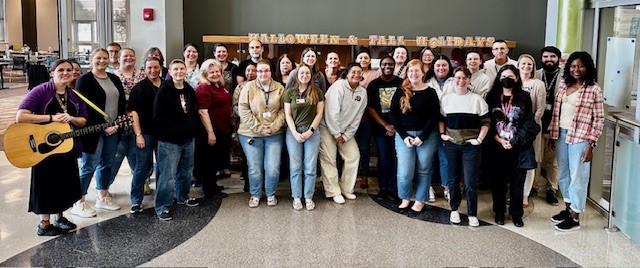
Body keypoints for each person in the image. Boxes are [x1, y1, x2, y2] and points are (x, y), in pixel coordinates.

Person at [16, 59, 88, 235]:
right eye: (61, 70)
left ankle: (60, 217)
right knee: (45, 184)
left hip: (65, 146)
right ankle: (44, 224)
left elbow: (83, 120)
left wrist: (71, 118)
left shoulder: (74, 95)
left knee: (64, 182)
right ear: (52, 73)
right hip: (43, 147)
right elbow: (21, 116)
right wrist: (51, 118)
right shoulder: (41, 91)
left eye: (69, 70)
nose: (65, 73)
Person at [549, 51, 604, 232]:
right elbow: (557, 112)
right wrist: (553, 135)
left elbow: (599, 119)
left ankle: (575, 217)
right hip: (561, 135)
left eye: (580, 66)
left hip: (581, 138)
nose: (576, 69)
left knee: (577, 177)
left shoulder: (593, 89)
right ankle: (568, 208)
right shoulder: (564, 84)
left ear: (587, 67)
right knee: (563, 175)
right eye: (573, 66)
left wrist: (591, 144)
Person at [73, 48, 126, 217]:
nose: (102, 61)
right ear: (91, 59)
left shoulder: (115, 79)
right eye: (98, 58)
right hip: (93, 130)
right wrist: (103, 125)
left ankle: (102, 195)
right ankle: (79, 200)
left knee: (107, 163)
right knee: (89, 165)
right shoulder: (85, 80)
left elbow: (122, 103)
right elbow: (84, 108)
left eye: (105, 58)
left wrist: (117, 123)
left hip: (114, 129)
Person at [486, 64, 539, 227]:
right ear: (498, 78)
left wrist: (514, 142)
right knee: (498, 182)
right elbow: (487, 121)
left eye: (510, 77)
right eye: (503, 77)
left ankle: (516, 214)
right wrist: (499, 140)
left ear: (516, 78)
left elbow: (529, 123)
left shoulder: (524, 97)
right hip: (497, 146)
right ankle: (500, 212)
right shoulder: (492, 96)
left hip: (518, 147)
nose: (506, 80)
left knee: (517, 183)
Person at [439, 66, 489, 227]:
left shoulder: (477, 100)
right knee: (453, 179)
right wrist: (442, 134)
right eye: (458, 78)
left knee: (470, 181)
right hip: (452, 144)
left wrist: (479, 139)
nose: (461, 81)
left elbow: (486, 122)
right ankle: (454, 209)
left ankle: (472, 213)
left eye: (464, 78)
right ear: (453, 80)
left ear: (469, 80)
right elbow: (441, 119)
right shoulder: (446, 99)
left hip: (471, 146)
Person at [389, 59, 440, 212]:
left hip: (427, 136)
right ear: (407, 73)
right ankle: (405, 198)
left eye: (417, 70)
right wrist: (404, 136)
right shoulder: (401, 90)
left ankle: (420, 200)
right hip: (404, 136)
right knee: (405, 171)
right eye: (410, 71)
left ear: (423, 73)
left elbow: (434, 116)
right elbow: (393, 115)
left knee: (424, 169)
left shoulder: (431, 92)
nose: (413, 73)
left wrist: (421, 137)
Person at [153, 59, 201, 221]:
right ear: (170, 72)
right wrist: (178, 130)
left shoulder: (189, 90)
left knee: (186, 171)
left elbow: (193, 112)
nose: (179, 71)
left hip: (188, 139)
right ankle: (163, 206)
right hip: (169, 141)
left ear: (186, 70)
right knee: (168, 175)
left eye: (182, 68)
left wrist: (192, 128)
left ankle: (182, 197)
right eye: (176, 69)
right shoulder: (164, 91)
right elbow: (159, 117)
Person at [237, 59, 286, 208]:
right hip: (250, 133)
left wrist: (274, 127)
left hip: (274, 133)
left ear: (271, 72)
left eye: (266, 70)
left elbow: (284, 110)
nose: (263, 74)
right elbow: (243, 109)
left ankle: (271, 194)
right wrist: (258, 128)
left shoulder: (279, 88)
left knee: (272, 167)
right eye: (259, 71)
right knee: (255, 167)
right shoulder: (248, 88)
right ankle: (255, 194)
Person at [318, 62, 367, 204]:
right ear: (347, 73)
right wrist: (336, 133)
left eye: (359, 72)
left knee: (353, 156)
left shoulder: (362, 92)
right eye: (353, 72)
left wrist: (346, 135)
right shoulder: (338, 86)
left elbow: (358, 117)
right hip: (327, 127)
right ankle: (333, 191)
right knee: (329, 159)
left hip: (345, 132)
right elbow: (331, 112)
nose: (356, 75)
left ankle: (346, 188)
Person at [284, 65, 325, 210]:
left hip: (312, 132)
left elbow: (320, 113)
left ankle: (308, 197)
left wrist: (310, 131)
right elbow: (287, 114)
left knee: (310, 166)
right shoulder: (290, 92)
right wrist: (294, 132)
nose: (304, 75)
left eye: (307, 73)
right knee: (295, 166)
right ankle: (296, 197)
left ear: (311, 76)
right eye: (302, 73)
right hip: (293, 132)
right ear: (296, 75)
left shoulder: (317, 92)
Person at [127, 56, 164, 214]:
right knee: (142, 166)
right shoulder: (139, 88)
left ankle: (162, 198)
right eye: (149, 68)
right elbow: (134, 113)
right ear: (144, 69)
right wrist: (138, 134)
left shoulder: (167, 86)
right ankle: (136, 200)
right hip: (145, 133)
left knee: (163, 166)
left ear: (160, 67)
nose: (153, 71)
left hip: (164, 133)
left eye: (156, 67)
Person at [109, 48, 147, 198]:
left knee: (137, 156)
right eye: (125, 56)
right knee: (115, 157)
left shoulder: (143, 75)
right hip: (118, 123)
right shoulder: (112, 76)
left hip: (139, 123)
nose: (129, 58)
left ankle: (141, 182)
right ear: (119, 58)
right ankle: (105, 188)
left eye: (132, 56)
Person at [194, 59, 231, 199]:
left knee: (215, 160)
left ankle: (212, 184)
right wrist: (210, 132)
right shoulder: (204, 88)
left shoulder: (219, 85)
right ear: (204, 73)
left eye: (217, 71)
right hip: (210, 130)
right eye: (212, 72)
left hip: (221, 129)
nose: (215, 74)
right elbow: (203, 112)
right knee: (208, 161)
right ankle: (209, 190)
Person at [367, 55, 402, 199]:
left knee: (396, 158)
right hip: (380, 128)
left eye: (390, 65)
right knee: (383, 157)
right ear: (380, 66)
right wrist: (386, 125)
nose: (388, 67)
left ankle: (394, 188)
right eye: (385, 64)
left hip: (399, 128)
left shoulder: (401, 82)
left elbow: (404, 105)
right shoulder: (374, 84)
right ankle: (383, 187)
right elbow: (370, 108)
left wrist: (395, 126)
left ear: (395, 67)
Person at [535, 46, 563, 205]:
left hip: (556, 124)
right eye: (546, 57)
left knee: (553, 161)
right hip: (538, 124)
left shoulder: (565, 76)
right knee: (536, 159)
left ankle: (551, 189)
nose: (549, 59)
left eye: (553, 56)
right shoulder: (536, 74)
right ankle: (537, 186)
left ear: (558, 58)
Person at [518, 54, 547, 208]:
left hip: (531, 130)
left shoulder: (538, 84)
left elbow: (540, 110)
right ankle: (515, 191)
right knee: (514, 162)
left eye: (529, 64)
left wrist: (527, 129)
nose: (526, 66)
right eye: (523, 63)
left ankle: (525, 195)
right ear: (518, 65)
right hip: (514, 131)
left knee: (528, 162)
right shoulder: (514, 82)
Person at [425, 54, 454, 201]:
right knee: (428, 158)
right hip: (429, 125)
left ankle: (447, 187)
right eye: (438, 65)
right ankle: (428, 186)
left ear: (449, 67)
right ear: (433, 67)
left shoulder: (455, 81)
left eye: (444, 65)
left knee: (445, 158)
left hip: (448, 126)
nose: (441, 68)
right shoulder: (426, 82)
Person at [354, 47, 379, 189]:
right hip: (351, 118)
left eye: (365, 57)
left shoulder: (375, 74)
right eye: (360, 57)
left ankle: (364, 176)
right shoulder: (352, 73)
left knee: (364, 148)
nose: (363, 60)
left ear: (370, 60)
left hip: (367, 118)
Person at [231, 62, 257, 192]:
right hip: (245, 126)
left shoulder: (262, 86)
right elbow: (235, 105)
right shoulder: (240, 87)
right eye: (248, 71)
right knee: (247, 156)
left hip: (261, 125)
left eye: (254, 70)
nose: (251, 73)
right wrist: (248, 117)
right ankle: (248, 183)